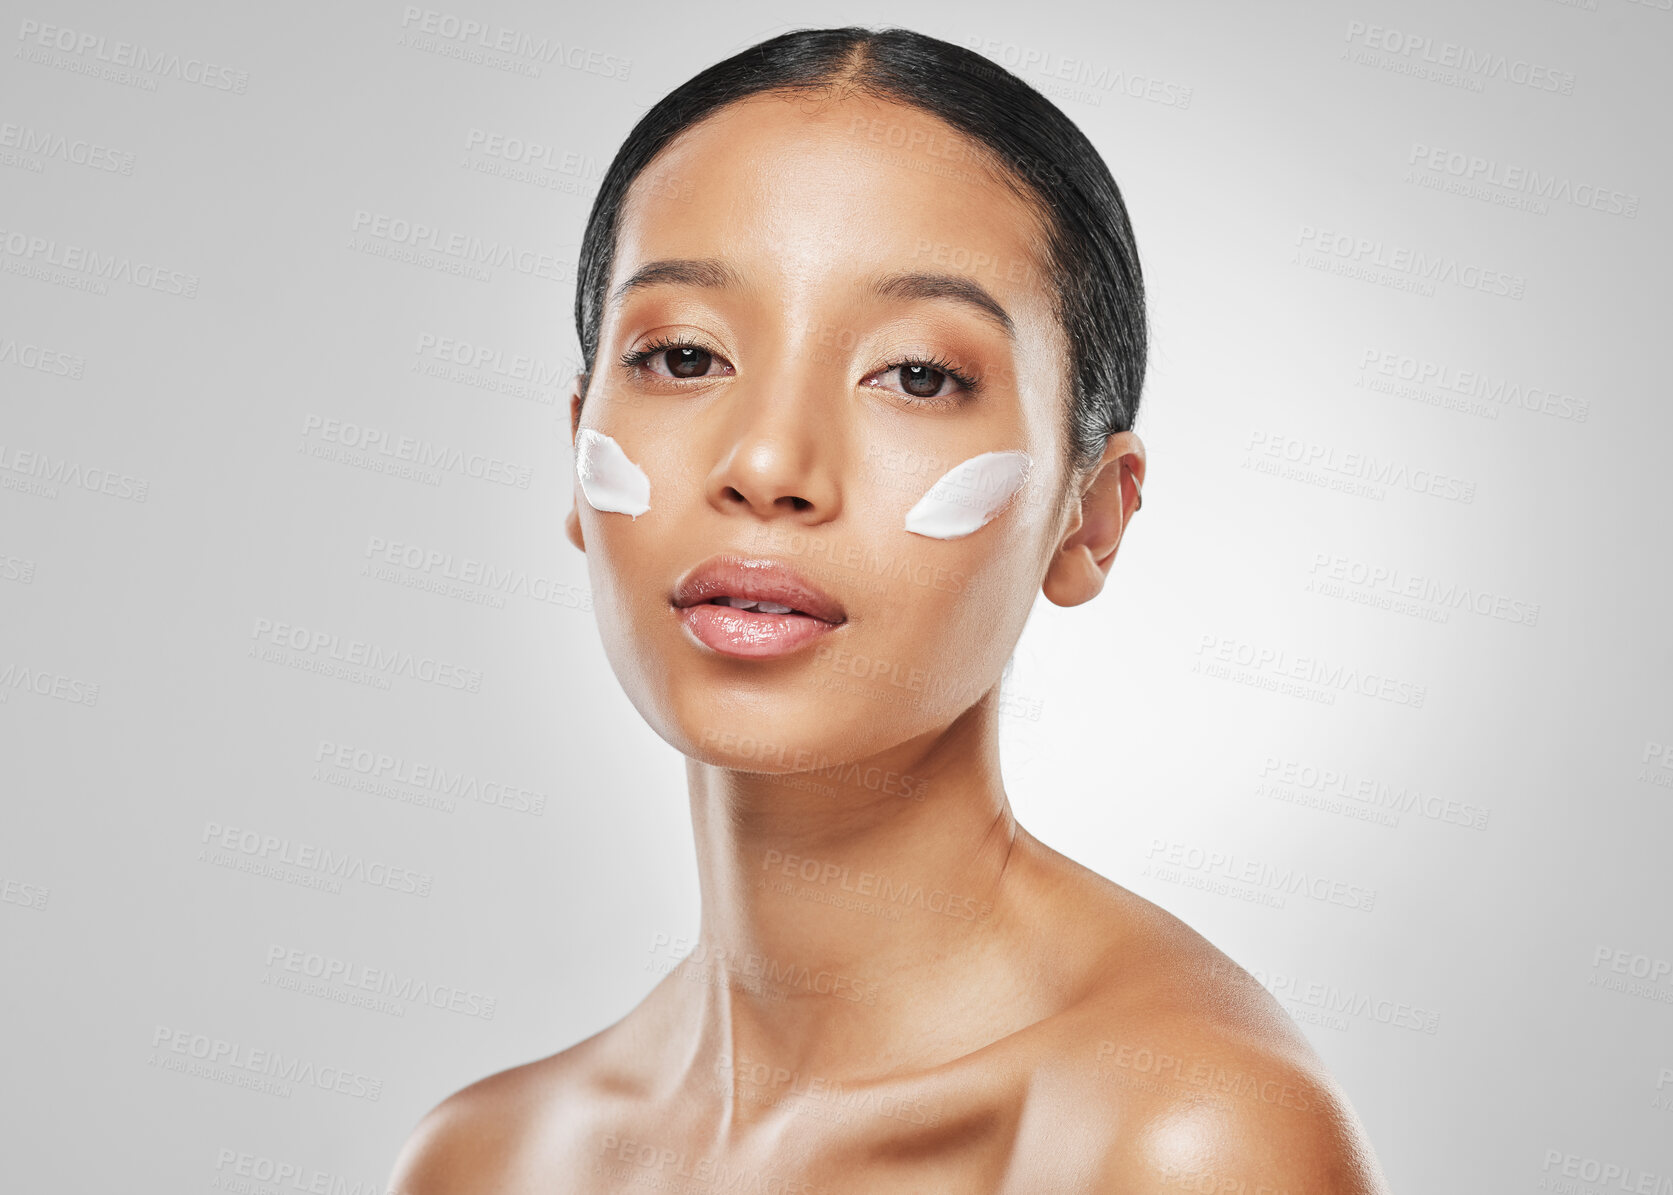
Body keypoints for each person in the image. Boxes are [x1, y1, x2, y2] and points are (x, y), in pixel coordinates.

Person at [387, 25, 1392, 1193]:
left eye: (917, 375)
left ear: (1089, 517)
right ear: (574, 454)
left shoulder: (1182, 1138)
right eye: (680, 357)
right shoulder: (487, 1160)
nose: (766, 462)